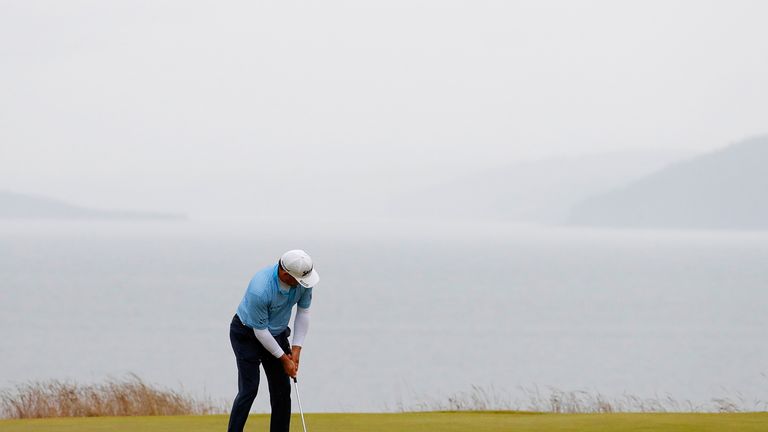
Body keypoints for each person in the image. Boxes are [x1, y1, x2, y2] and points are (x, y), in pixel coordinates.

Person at [227, 249, 319, 432]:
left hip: (277, 333)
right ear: (285, 273)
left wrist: (296, 350)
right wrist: (284, 359)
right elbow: (260, 332)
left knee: (282, 392)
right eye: (299, 281)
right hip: (247, 334)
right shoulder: (260, 289)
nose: (303, 284)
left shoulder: (303, 281)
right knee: (249, 390)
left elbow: (303, 312)